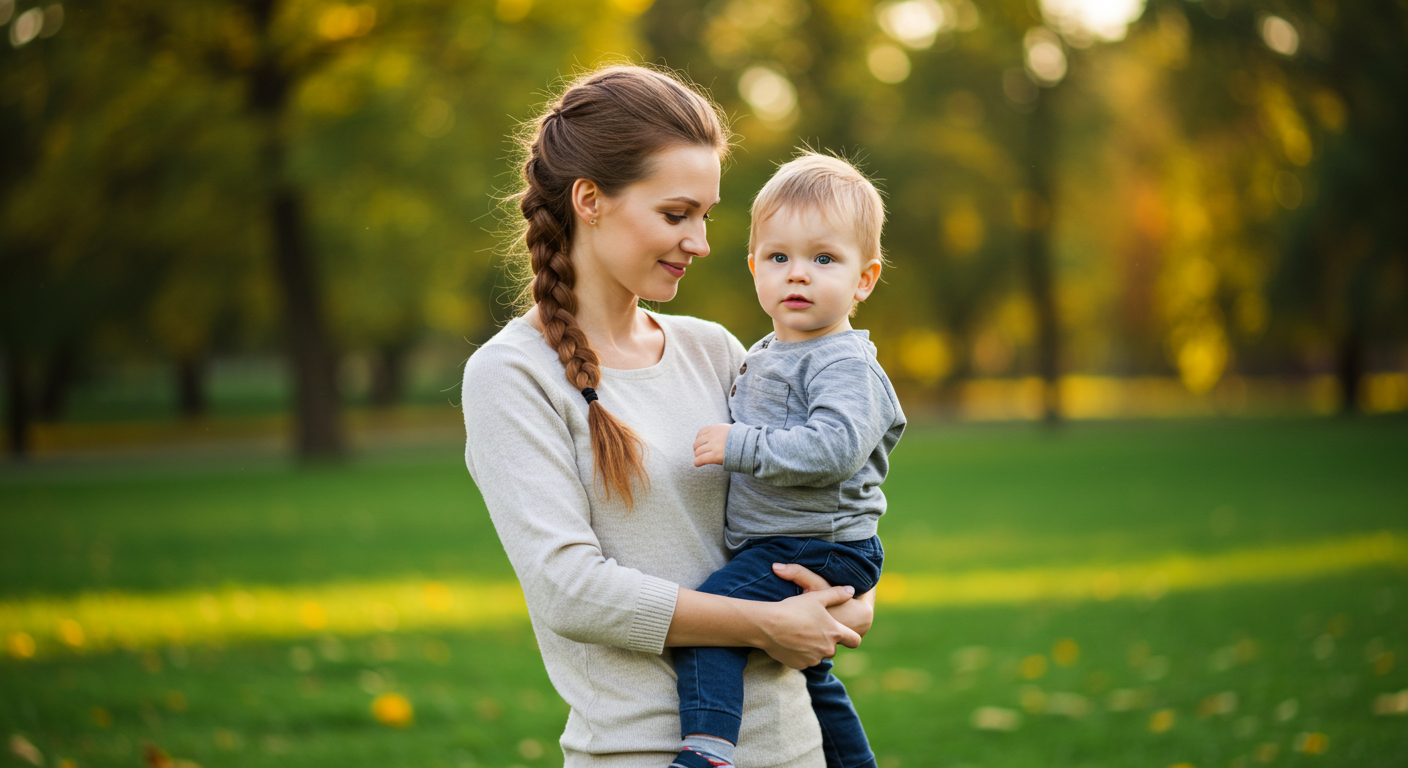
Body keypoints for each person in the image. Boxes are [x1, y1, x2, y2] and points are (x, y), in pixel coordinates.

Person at [461, 66, 876, 768]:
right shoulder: (512, 375)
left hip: (794, 745)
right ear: (589, 199)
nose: (702, 242)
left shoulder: (715, 350)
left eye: (707, 216)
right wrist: (767, 623)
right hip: (645, 752)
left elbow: (809, 505)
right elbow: (572, 591)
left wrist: (847, 602)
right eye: (676, 214)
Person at [676, 154, 906, 768]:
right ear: (755, 269)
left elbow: (834, 448)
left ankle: (707, 752)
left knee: (712, 623)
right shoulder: (768, 351)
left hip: (816, 545)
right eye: (779, 258)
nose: (797, 275)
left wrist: (738, 445)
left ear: (865, 278)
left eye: (823, 259)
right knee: (811, 673)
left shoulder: (843, 364)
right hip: (790, 543)